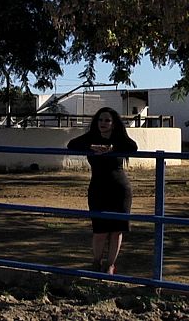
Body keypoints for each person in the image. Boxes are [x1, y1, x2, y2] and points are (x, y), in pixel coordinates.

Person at [67, 106, 138, 275]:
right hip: (98, 188)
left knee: (116, 230)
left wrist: (112, 149)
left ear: (114, 123)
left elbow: (133, 147)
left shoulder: (120, 138)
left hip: (119, 188)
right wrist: (92, 147)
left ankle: (110, 265)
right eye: (100, 120)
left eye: (107, 120)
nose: (103, 123)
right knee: (100, 230)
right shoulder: (91, 137)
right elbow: (72, 145)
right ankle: (96, 262)